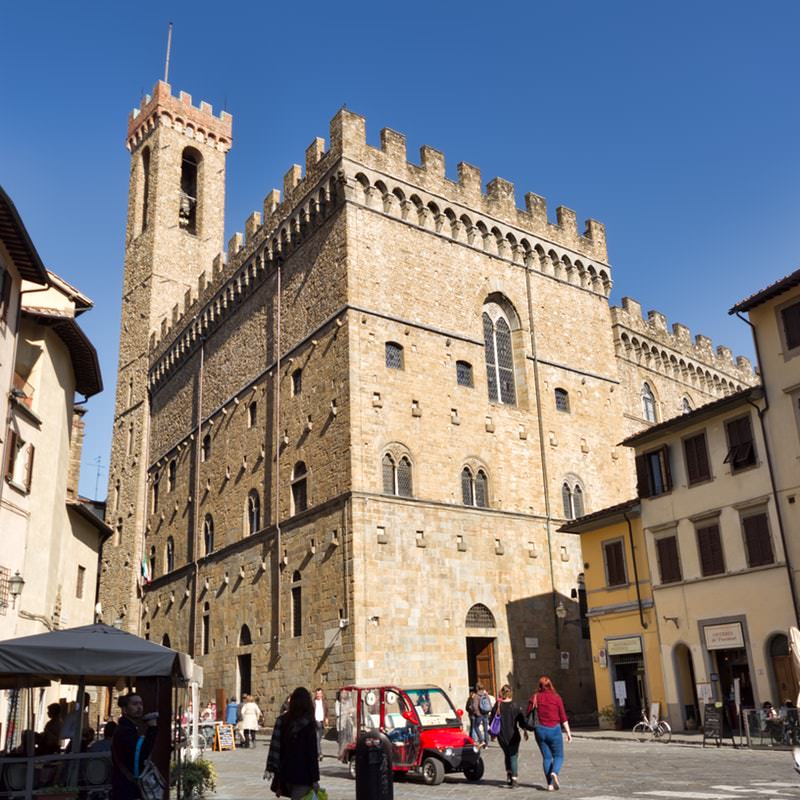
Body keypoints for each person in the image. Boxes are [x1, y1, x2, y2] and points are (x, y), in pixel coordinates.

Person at [265, 687, 320, 800]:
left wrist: (273, 769)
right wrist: (315, 779)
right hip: (303, 774)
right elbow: (312, 754)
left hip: (286, 773)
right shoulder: (309, 723)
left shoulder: (282, 720)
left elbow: (275, 748)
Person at [111, 693, 159, 800]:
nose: (139, 707)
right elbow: (142, 753)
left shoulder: (130, 728)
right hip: (125, 787)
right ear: (124, 709)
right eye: (134, 704)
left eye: (141, 704)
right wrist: (152, 729)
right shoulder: (124, 731)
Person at [528, 676, 572, 791]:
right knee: (559, 756)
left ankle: (550, 785)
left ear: (539, 686)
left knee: (547, 757)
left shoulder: (535, 697)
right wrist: (568, 733)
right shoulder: (556, 698)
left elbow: (528, 713)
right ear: (550, 685)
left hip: (540, 730)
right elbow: (563, 717)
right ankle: (555, 772)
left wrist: (524, 730)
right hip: (554, 730)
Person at [490, 684, 527, 788]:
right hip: (513, 735)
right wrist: (525, 729)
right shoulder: (515, 706)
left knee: (507, 754)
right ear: (511, 693)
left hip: (501, 736)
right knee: (513, 756)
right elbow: (522, 721)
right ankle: (514, 779)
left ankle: (509, 775)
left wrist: (492, 734)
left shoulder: (498, 705)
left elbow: (492, 719)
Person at [313, 688, 328, 761]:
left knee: (319, 739)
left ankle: (316, 752)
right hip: (316, 722)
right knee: (317, 738)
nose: (318, 695)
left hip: (322, 722)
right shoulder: (313, 702)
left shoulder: (324, 702)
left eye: (320, 694)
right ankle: (320, 753)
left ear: (322, 694)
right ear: (315, 694)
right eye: (317, 694)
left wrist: (326, 718)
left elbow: (326, 711)